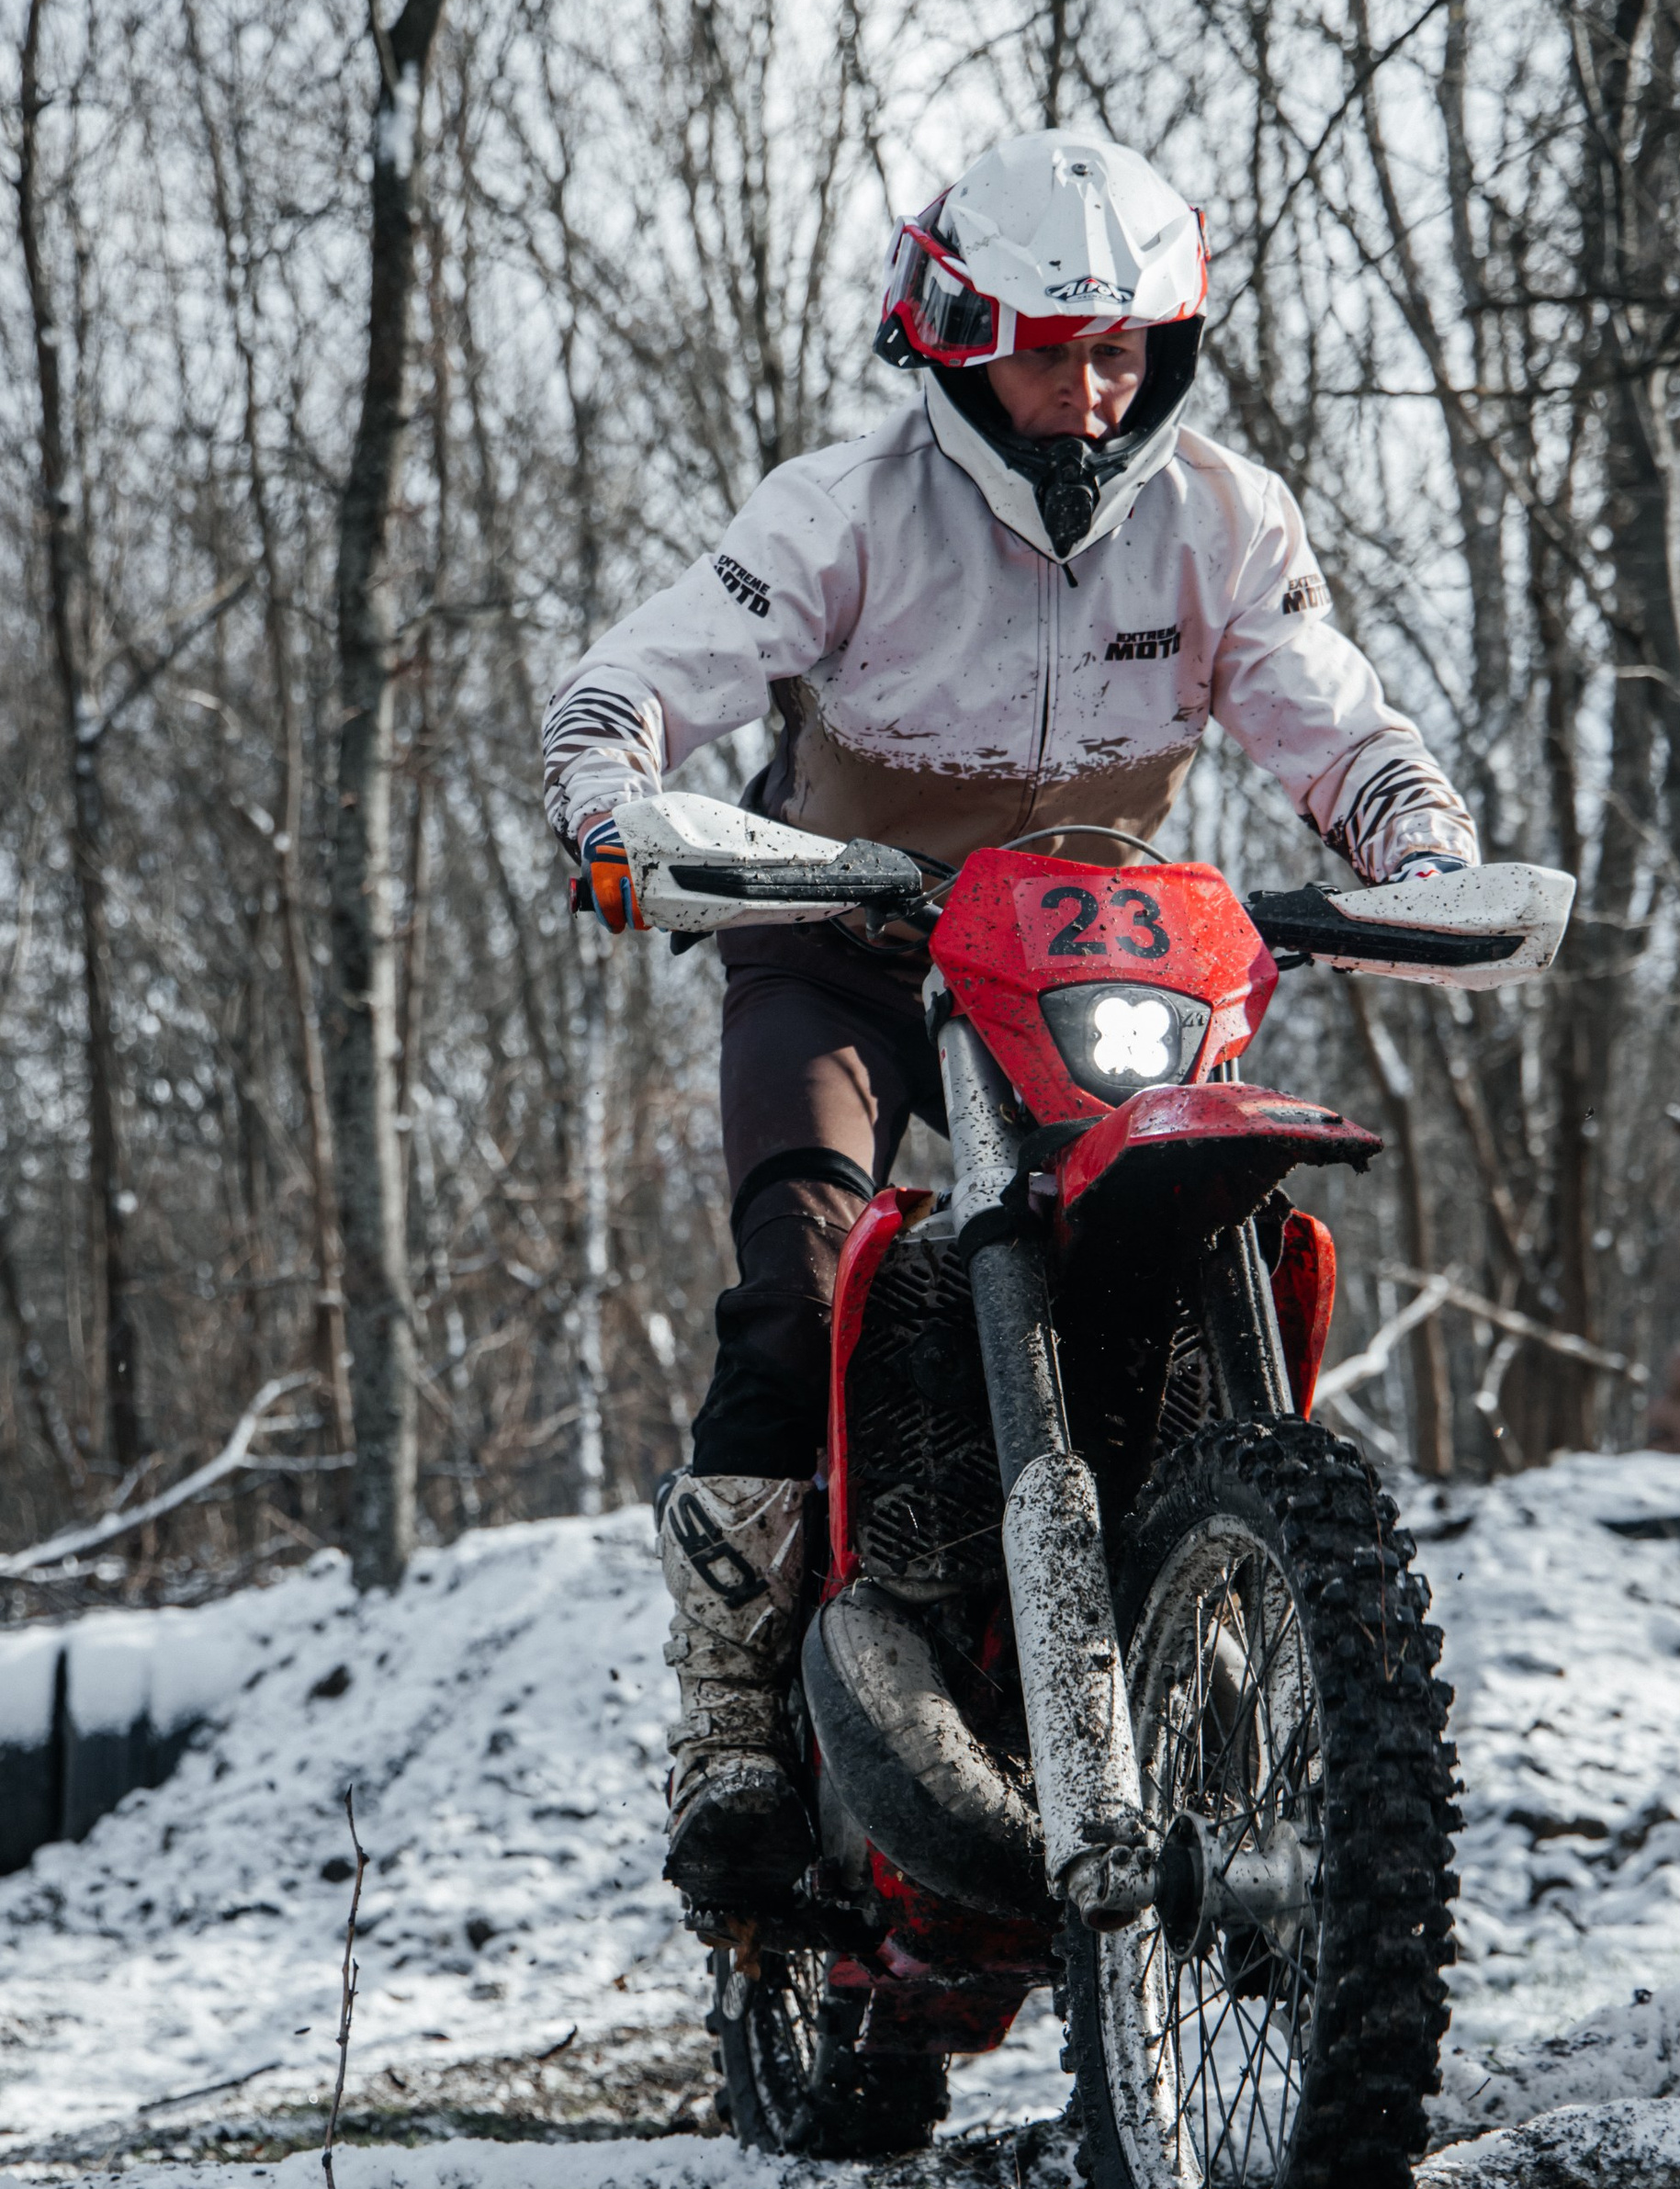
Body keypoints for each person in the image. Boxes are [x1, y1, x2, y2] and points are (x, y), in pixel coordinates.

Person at [540, 129, 1480, 1913]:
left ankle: (1207, 1619)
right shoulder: (843, 509)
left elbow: (1328, 720)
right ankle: (729, 1716)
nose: (1088, 387)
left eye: (1123, 347)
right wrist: (606, 793)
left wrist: (1413, 841)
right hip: (839, 945)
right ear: (958, 338)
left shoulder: (1219, 519)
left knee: (1190, 1238)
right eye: (1052, 345)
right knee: (801, 1260)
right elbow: (637, 675)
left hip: (1079, 962)